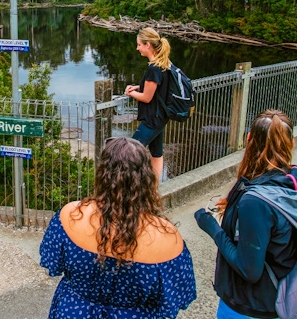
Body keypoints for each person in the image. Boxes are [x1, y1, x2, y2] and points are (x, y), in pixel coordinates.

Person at [40, 137, 197, 318]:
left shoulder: (70, 215)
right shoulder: (169, 238)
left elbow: (53, 263)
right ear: (147, 178)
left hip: (74, 311)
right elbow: (178, 296)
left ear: (102, 174)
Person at [194, 109, 297, 318]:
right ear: (291, 143)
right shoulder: (293, 180)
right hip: (283, 296)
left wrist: (211, 227)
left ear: (249, 140)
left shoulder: (255, 202)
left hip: (251, 306)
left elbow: (249, 270)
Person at [124, 27, 171, 180]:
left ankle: (132, 189)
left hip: (152, 119)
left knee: (128, 153)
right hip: (160, 117)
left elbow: (146, 97)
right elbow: (157, 87)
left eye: (139, 45)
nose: (137, 48)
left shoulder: (153, 68)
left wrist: (131, 93)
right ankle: (154, 189)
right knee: (156, 153)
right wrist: (138, 86)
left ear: (148, 45)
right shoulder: (164, 63)